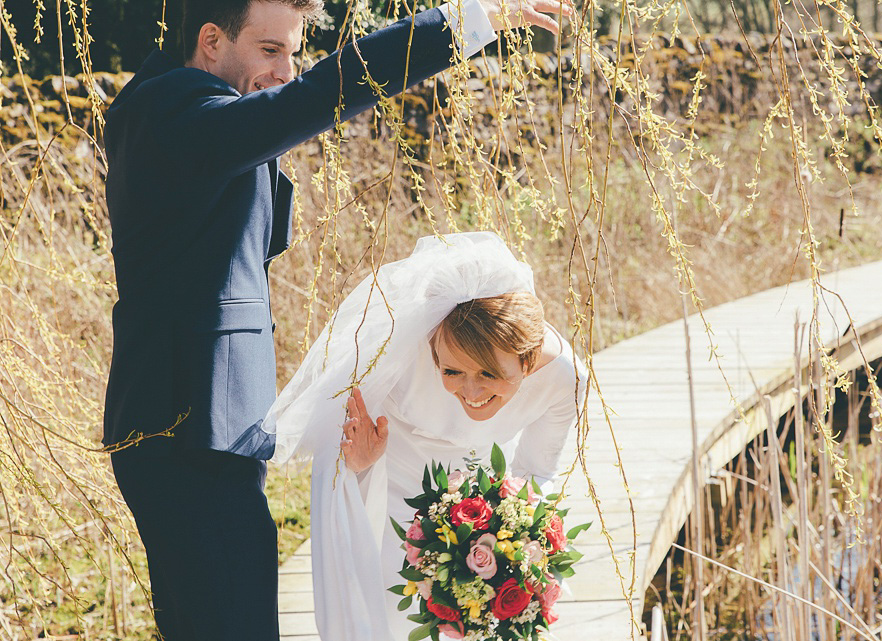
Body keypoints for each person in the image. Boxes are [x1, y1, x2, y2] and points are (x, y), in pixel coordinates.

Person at [102, 1, 574, 639]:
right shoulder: (177, 114)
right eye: (271, 51)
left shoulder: (175, 102)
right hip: (189, 428)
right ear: (210, 41)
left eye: (295, 52)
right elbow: (323, 93)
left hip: (200, 426)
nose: (287, 72)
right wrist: (466, 20)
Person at [263, 232, 586, 640]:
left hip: (482, 491)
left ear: (528, 357)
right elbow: (340, 437)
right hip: (392, 482)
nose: (471, 392)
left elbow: (535, 472)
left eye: (490, 374)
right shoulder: (400, 349)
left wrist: (513, 543)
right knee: (392, 608)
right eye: (451, 372)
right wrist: (358, 463)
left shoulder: (564, 378)